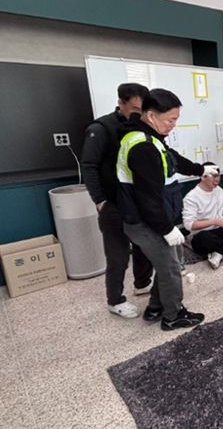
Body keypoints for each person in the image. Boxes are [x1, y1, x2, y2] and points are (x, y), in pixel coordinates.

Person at [117, 88, 217, 330]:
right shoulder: (143, 147)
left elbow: (172, 158)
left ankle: (155, 307)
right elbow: (148, 199)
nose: (173, 125)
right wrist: (166, 229)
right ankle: (173, 316)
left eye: (176, 119)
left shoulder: (150, 138)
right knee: (171, 267)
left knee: (165, 266)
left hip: (147, 217)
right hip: (144, 221)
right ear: (152, 116)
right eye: (170, 120)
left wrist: (199, 169)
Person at [81, 83, 154, 319]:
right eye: (134, 109)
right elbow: (89, 166)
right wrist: (100, 200)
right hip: (112, 203)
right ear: (120, 103)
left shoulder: (142, 127)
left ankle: (142, 283)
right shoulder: (101, 128)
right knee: (118, 255)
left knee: (144, 246)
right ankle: (115, 300)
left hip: (136, 200)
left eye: (143, 110)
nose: (139, 114)